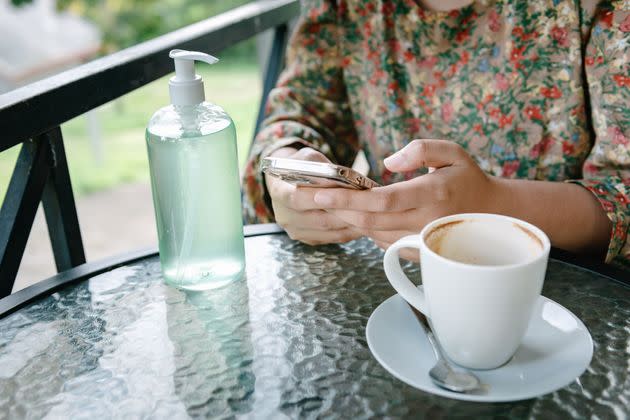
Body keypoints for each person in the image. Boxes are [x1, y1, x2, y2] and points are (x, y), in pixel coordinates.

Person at [242, 0, 629, 265]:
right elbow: (300, 114)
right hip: (398, 290)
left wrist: (495, 205)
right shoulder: (345, 6)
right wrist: (290, 175)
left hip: (569, 302)